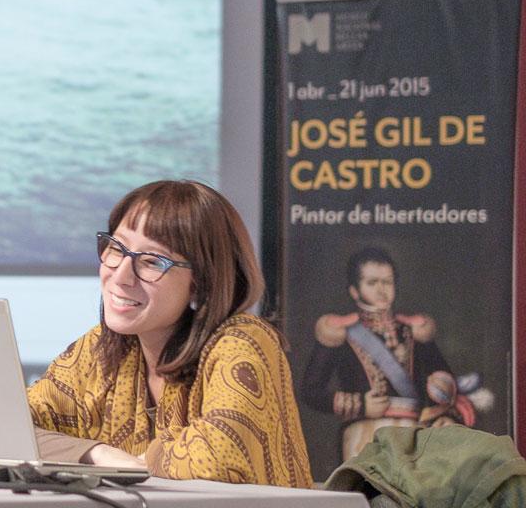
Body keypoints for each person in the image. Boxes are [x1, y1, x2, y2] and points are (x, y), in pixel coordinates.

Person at [27, 180, 313, 486]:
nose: (120, 276)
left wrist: (143, 462)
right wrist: (98, 454)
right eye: (116, 248)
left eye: (151, 261)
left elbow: (219, 456)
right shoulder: (99, 349)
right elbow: (1, 428)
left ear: (202, 281)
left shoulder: (243, 341)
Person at [300, 247, 478, 461]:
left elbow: (444, 383)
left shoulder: (413, 331)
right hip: (364, 434)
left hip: (414, 435)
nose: (382, 290)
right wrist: (361, 405)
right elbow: (311, 391)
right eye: (372, 283)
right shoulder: (341, 332)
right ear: (354, 290)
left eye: (387, 282)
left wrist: (445, 415)